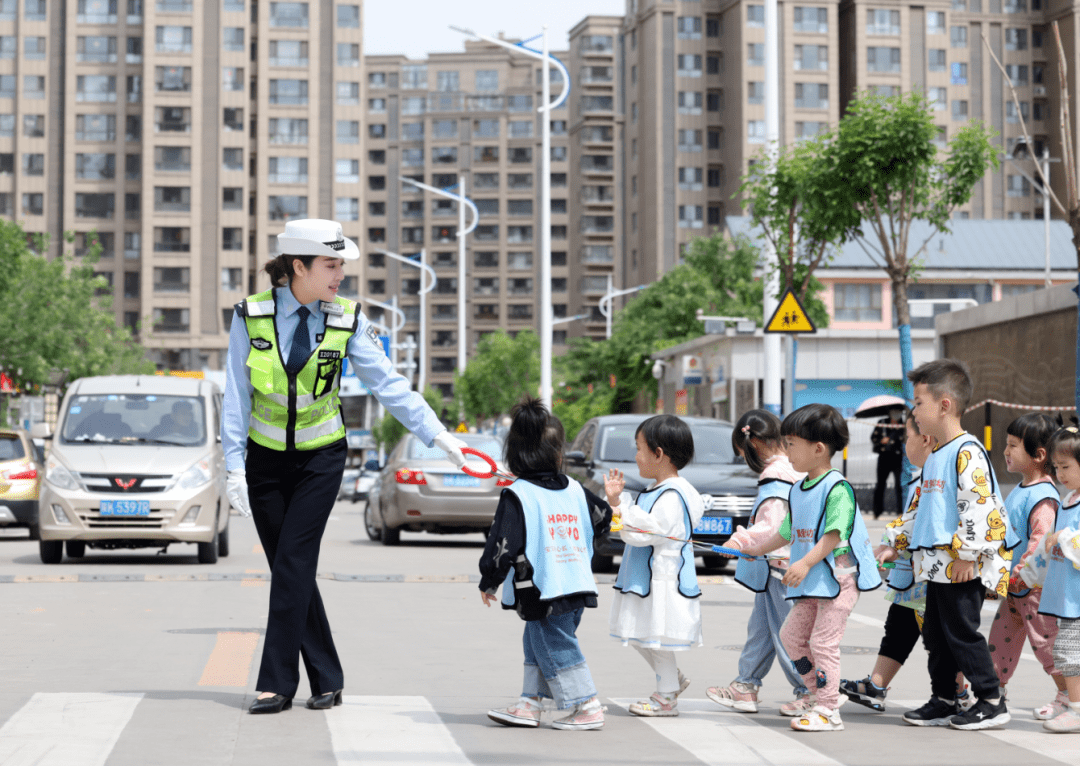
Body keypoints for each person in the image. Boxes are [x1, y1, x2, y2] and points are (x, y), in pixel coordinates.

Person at [222, 219, 468, 714]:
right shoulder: (250, 316)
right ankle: (329, 679)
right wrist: (233, 465)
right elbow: (236, 393)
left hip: (322, 457)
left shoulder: (346, 319)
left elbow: (389, 383)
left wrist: (437, 434)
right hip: (265, 461)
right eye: (331, 265)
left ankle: (275, 683)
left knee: (292, 562)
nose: (339, 276)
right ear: (299, 266)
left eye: (341, 266)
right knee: (292, 569)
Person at [723, 403, 880, 732]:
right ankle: (818, 694)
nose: (786, 450)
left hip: (838, 582)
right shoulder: (798, 488)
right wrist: (752, 548)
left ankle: (827, 710)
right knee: (791, 637)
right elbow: (785, 532)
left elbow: (834, 535)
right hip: (813, 581)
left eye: (792, 443)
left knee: (822, 643)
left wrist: (806, 562)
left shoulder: (838, 489)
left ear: (819, 449)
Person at [878, 359, 1013, 731]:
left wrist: (968, 555)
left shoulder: (966, 451)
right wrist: (895, 542)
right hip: (935, 565)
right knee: (936, 633)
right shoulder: (936, 454)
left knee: (962, 632)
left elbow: (978, 504)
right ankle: (944, 698)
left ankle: (991, 699)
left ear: (944, 405)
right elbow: (923, 510)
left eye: (918, 402)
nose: (913, 412)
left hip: (958, 564)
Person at [478, 398, 613, 731]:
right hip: (576, 583)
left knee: (554, 642)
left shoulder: (518, 494)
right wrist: (580, 549)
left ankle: (587, 705)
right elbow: (603, 518)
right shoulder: (576, 490)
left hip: (543, 587)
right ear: (558, 455)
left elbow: (502, 544)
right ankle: (530, 703)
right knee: (537, 639)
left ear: (515, 453)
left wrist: (489, 580)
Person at [842, 413, 968, 712]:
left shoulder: (933, 479)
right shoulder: (922, 477)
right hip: (911, 576)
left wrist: (893, 546)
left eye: (907, 437)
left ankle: (959, 692)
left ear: (925, 439)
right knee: (899, 628)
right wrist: (891, 546)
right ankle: (877, 684)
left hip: (929, 575)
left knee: (944, 639)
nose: (904, 445)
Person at [705, 409, 810, 716]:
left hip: (779, 566)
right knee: (762, 629)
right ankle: (745, 685)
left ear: (754, 444)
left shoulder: (774, 476)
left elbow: (772, 526)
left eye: (742, 452)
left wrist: (738, 542)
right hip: (779, 567)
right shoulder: (796, 469)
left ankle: (809, 690)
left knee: (787, 634)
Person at [606, 415, 704, 717]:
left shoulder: (673, 495)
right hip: (648, 577)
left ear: (658, 454)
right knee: (640, 633)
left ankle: (665, 697)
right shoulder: (664, 489)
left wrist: (618, 507)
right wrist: (620, 508)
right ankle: (671, 681)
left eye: (639, 448)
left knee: (656, 640)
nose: (636, 456)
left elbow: (647, 532)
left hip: (662, 579)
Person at [989, 414, 1065, 719]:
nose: (1006, 451)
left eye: (1013, 445)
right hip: (1014, 587)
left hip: (1034, 589)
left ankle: (1068, 695)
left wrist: (1019, 576)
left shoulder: (1043, 496)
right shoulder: (1021, 489)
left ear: (1039, 454)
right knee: (999, 642)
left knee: (1046, 645)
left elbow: (1040, 542)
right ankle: (993, 694)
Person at [1038, 426, 1080, 733]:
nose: (1060, 473)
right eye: (1056, 467)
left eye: (1066, 466)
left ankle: (1077, 709)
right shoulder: (1067, 500)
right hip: (1066, 597)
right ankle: (1070, 702)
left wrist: (1063, 537)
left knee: (1068, 652)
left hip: (1076, 599)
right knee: (1065, 650)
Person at [871, 407, 906, 519]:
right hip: (884, 456)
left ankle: (901, 511)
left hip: (897, 457)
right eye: (894, 412)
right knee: (880, 484)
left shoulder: (903, 424)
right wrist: (881, 441)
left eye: (899, 412)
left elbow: (905, 439)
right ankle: (877, 511)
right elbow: (873, 437)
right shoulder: (882, 423)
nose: (896, 414)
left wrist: (893, 440)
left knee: (899, 485)